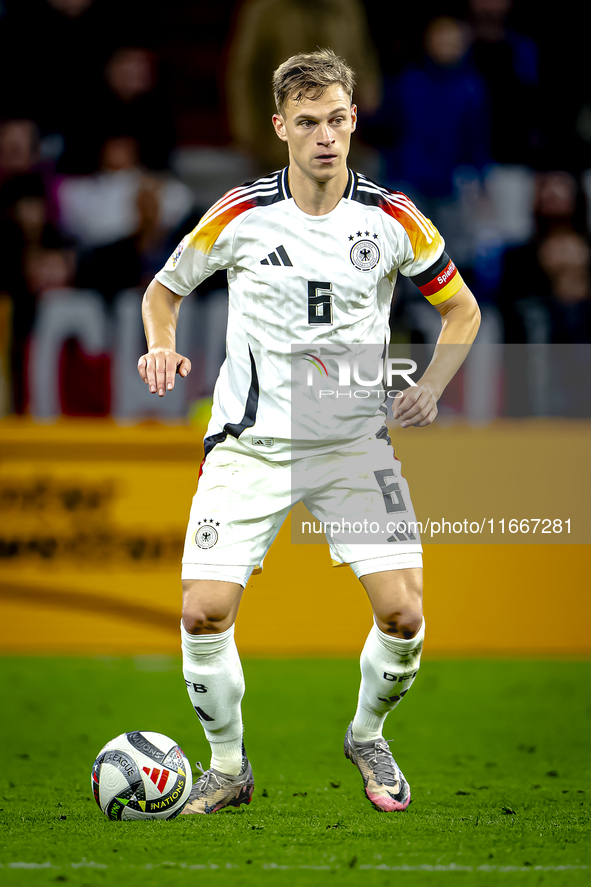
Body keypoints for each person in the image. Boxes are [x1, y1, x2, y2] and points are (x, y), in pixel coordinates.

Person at [137, 49, 481, 815]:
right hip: (249, 446)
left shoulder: (393, 219)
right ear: (279, 128)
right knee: (201, 610)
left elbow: (461, 310)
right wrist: (161, 342)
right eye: (307, 123)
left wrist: (429, 385)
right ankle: (228, 766)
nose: (325, 136)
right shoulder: (241, 212)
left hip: (353, 450)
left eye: (336, 120)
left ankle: (366, 732)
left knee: (404, 614)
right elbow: (163, 291)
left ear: (353, 118)